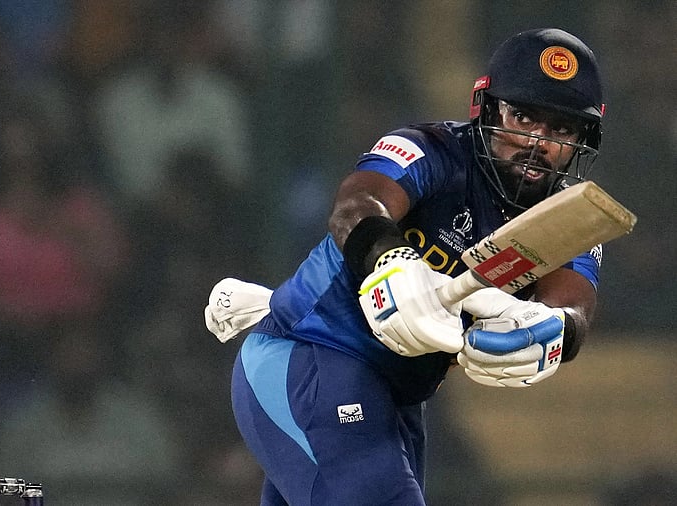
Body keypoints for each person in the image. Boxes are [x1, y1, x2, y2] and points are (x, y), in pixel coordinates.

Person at [204, 28, 606, 505]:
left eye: (560, 129)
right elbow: (357, 204)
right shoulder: (432, 149)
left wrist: (551, 329)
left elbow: (573, 307)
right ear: (488, 108)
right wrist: (390, 260)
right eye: (522, 117)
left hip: (394, 399)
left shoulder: (570, 219)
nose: (536, 142)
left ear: (585, 137)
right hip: (311, 356)